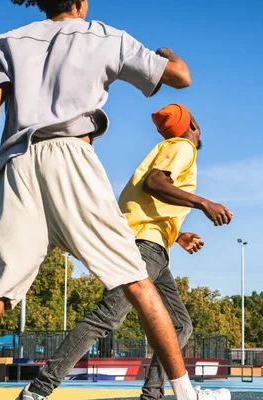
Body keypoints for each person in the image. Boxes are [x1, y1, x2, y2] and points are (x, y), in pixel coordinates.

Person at [0, 1, 227, 399]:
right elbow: (180, 77)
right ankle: (185, 394)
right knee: (136, 282)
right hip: (71, 154)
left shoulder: (0, 43)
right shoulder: (104, 36)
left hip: (17, 162)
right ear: (81, 3)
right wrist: (168, 54)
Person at [19, 104, 233, 400]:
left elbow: (144, 204)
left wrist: (177, 234)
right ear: (193, 125)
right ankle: (38, 390)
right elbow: (154, 183)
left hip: (152, 247)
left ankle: (153, 394)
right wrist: (204, 203)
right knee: (107, 317)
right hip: (142, 248)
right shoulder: (182, 146)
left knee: (180, 325)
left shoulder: (166, 147)